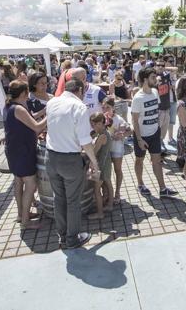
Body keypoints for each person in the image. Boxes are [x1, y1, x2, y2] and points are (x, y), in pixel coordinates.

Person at [45, 78, 98, 248]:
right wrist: (94, 163)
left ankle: (61, 235)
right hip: (69, 160)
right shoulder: (79, 107)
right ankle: (72, 239)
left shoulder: (52, 102)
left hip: (51, 157)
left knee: (58, 198)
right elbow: (85, 140)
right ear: (80, 91)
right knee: (72, 201)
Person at [3, 80, 47, 229]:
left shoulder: (11, 106)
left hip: (15, 150)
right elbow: (36, 127)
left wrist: (44, 111)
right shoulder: (19, 109)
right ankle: (25, 222)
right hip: (22, 151)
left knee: (18, 182)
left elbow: (30, 118)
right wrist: (51, 114)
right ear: (23, 93)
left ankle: (22, 214)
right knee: (30, 183)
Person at [131, 68, 178, 198]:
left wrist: (158, 129)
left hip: (154, 133)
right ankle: (140, 184)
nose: (156, 79)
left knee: (157, 161)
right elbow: (134, 121)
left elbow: (155, 112)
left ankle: (163, 189)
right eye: (153, 77)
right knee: (139, 160)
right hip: (141, 136)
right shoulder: (137, 98)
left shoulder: (155, 92)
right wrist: (139, 140)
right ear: (145, 79)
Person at [103, 98, 131, 203]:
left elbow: (130, 131)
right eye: (103, 107)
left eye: (108, 107)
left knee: (117, 170)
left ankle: (117, 193)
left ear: (113, 108)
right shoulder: (102, 118)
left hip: (117, 148)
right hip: (105, 149)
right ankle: (106, 193)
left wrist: (121, 135)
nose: (105, 110)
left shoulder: (119, 119)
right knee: (106, 172)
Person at [87, 112, 113, 220]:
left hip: (100, 165)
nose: (92, 127)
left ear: (100, 123)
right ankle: (110, 205)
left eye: (93, 124)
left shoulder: (102, 136)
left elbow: (94, 151)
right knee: (108, 184)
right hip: (106, 163)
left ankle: (100, 213)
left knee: (96, 189)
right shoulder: (104, 133)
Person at [155, 60, 174, 152]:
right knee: (157, 128)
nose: (160, 67)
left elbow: (176, 69)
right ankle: (157, 145)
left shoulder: (166, 76)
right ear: (155, 66)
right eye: (158, 65)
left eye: (162, 65)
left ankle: (161, 142)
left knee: (164, 128)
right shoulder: (153, 77)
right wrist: (156, 82)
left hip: (167, 106)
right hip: (158, 108)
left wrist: (165, 68)